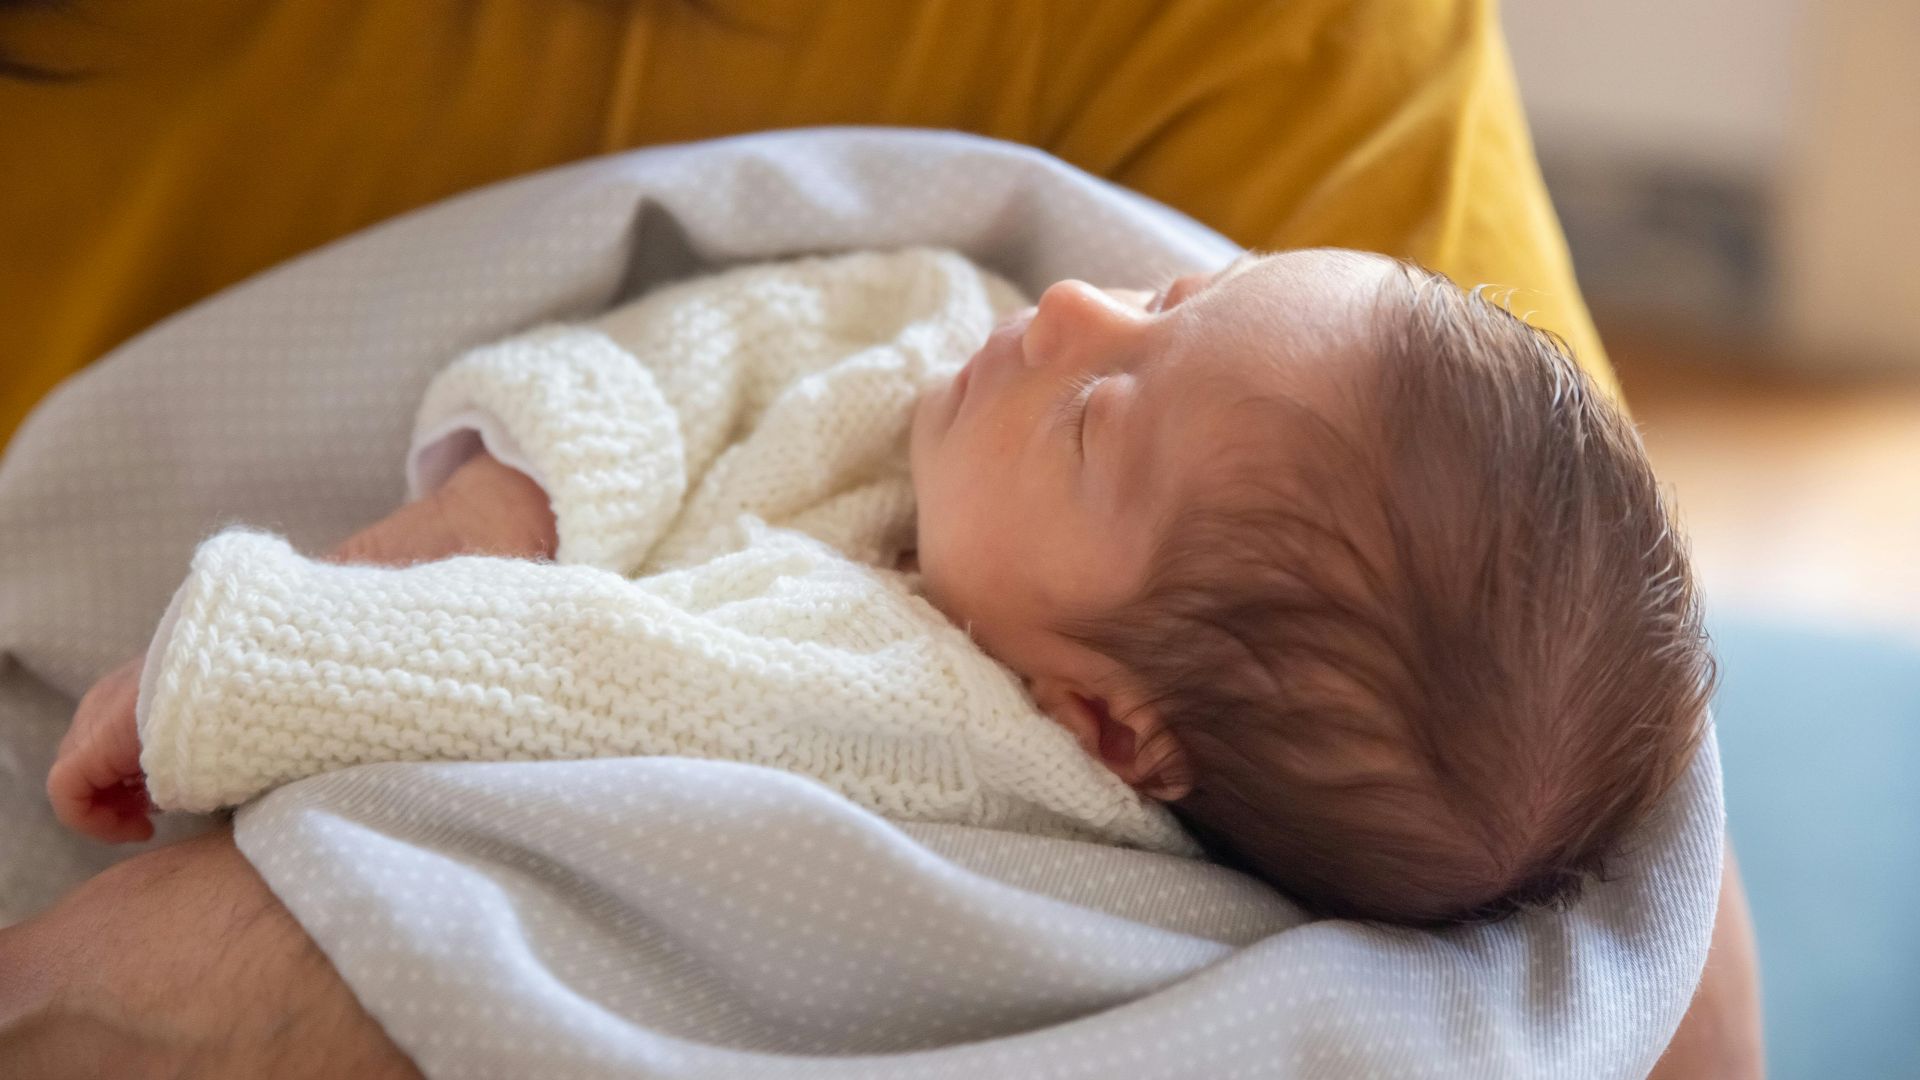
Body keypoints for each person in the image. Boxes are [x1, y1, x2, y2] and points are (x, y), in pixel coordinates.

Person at [49, 245, 1711, 927]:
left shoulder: (916, 728)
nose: (1070, 307)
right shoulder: (954, 383)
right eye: (1171, 290)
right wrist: (522, 493)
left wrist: (251, 670)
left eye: (1098, 415)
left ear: (1104, 727)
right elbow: (761, 333)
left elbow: (578, 679)